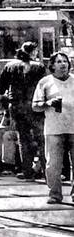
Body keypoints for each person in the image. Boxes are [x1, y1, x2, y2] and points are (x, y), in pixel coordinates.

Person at [32, 50, 74, 205]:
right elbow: (35, 106)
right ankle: (55, 194)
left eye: (65, 61)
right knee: (53, 164)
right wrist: (48, 103)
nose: (63, 64)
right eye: (59, 62)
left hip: (73, 126)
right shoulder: (45, 82)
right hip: (54, 129)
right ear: (52, 66)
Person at [0, 41, 45, 181]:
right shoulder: (39, 67)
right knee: (41, 139)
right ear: (33, 52)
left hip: (16, 107)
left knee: (23, 139)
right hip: (35, 106)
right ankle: (46, 171)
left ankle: (27, 172)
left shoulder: (9, 66)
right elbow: (45, 87)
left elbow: (1, 89)